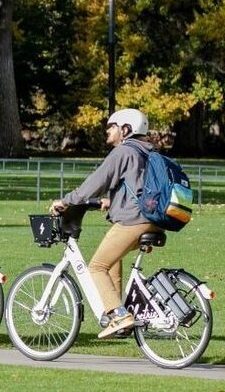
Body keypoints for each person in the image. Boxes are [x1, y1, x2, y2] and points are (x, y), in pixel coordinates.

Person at [49, 107, 157, 339]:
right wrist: (111, 201)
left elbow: (95, 182)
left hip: (133, 221)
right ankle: (118, 314)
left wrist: (66, 201)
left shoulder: (123, 152)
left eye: (112, 126)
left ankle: (120, 314)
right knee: (112, 260)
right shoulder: (147, 151)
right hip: (154, 219)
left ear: (125, 129)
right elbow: (138, 186)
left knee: (96, 267)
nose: (108, 130)